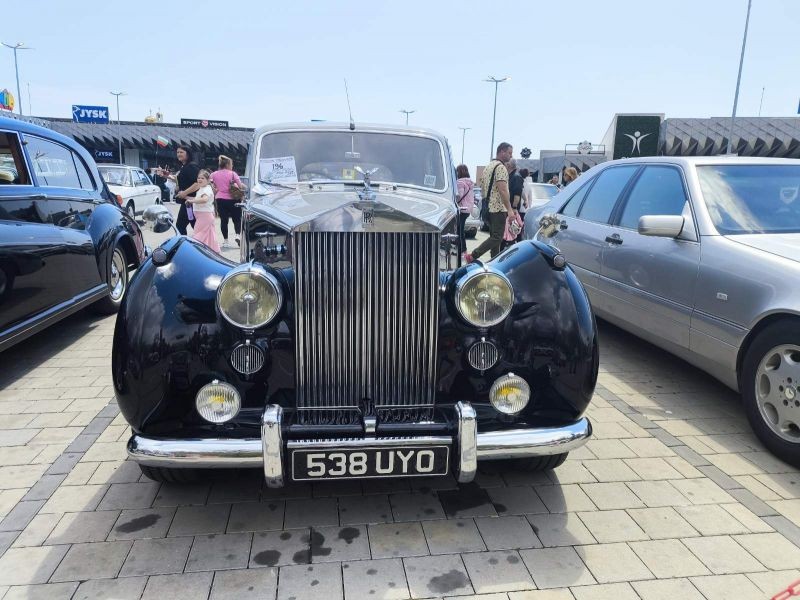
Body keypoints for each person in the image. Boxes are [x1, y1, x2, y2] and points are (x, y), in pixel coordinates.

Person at [465, 142, 515, 263]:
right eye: (509, 153)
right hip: (498, 208)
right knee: (497, 237)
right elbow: (503, 190)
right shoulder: (501, 167)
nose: (511, 156)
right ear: (502, 152)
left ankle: (494, 262)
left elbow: (482, 187)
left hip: (488, 207)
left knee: (494, 238)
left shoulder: (488, 167)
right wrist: (510, 210)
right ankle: (473, 255)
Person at [157, 146, 200, 235]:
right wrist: (166, 175)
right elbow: (179, 179)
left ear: (188, 154)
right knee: (188, 225)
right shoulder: (184, 166)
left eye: (181, 152)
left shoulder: (191, 166)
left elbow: (197, 183)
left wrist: (184, 193)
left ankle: (190, 241)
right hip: (187, 202)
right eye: (178, 152)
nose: (179, 154)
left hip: (192, 202)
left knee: (183, 225)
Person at [210, 155, 244, 249]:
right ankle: (237, 235)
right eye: (231, 164)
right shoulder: (233, 174)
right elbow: (240, 186)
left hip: (220, 199)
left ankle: (225, 241)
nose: (232, 166)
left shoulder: (214, 174)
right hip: (234, 199)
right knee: (237, 219)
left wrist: (217, 189)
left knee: (224, 220)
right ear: (228, 164)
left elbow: (211, 184)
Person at [186, 170, 220, 253]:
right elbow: (199, 199)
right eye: (198, 178)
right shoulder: (203, 189)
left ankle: (194, 251)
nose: (200, 179)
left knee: (198, 234)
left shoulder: (206, 189)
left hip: (204, 216)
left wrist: (191, 201)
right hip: (205, 216)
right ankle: (212, 252)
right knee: (209, 235)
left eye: (202, 178)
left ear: (208, 180)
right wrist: (187, 198)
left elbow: (204, 199)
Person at [455, 164, 474, 254]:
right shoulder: (470, 182)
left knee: (459, 230)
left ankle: (462, 250)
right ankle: (463, 249)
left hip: (462, 208)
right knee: (460, 229)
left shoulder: (460, 182)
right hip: (468, 209)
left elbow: (459, 195)